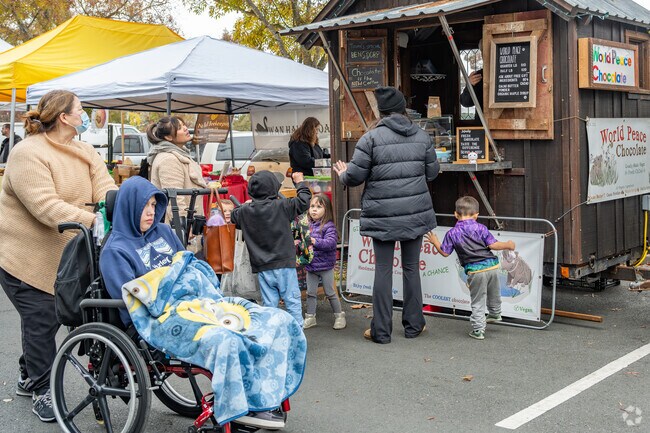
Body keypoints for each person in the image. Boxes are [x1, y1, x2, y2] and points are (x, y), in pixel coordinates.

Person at [100, 176, 305, 429]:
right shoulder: (115, 251)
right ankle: (237, 405)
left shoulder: (163, 232)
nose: (151, 212)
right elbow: (134, 304)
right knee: (227, 339)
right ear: (130, 206)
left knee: (277, 320)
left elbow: (188, 265)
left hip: (200, 301)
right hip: (164, 316)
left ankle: (263, 395)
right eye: (145, 206)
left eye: (154, 205)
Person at [0, 90, 117, 422]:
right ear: (64, 117)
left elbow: (104, 186)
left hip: (68, 252)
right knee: (41, 319)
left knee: (55, 316)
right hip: (24, 256)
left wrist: (122, 207)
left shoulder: (84, 150)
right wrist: (95, 220)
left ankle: (27, 372)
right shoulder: (27, 153)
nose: (84, 114)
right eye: (80, 110)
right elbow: (45, 206)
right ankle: (41, 389)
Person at [333, 86, 439, 344]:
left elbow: (356, 176)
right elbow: (432, 173)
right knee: (411, 268)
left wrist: (343, 173)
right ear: (403, 108)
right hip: (414, 211)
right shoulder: (422, 137)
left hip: (382, 213)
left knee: (383, 269)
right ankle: (414, 325)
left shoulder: (370, 139)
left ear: (381, 111)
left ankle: (381, 331)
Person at [425, 196, 515, 340]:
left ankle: (478, 330)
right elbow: (493, 245)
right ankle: (496, 313)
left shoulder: (452, 233)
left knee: (478, 299)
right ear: (476, 215)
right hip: (492, 267)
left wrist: (435, 242)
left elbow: (444, 252)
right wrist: (508, 245)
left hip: (475, 271)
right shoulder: (481, 228)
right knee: (494, 292)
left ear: (455, 214)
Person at [231, 170, 311, 326]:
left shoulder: (245, 212)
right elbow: (303, 202)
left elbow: (235, 216)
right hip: (285, 264)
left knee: (269, 306)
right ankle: (297, 337)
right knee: (292, 302)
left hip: (262, 266)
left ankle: (271, 335)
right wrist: (300, 182)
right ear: (274, 188)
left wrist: (247, 206)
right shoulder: (282, 205)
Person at [146, 116, 207, 224]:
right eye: (179, 128)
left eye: (184, 125)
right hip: (180, 228)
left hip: (190, 221)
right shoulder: (169, 160)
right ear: (169, 137)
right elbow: (175, 201)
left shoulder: (180, 153)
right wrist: (183, 227)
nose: (185, 128)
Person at [303, 193, 346, 330]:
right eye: (312, 206)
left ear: (326, 210)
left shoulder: (329, 226)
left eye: (319, 207)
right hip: (311, 265)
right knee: (311, 292)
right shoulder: (307, 225)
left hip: (326, 266)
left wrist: (316, 241)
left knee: (330, 292)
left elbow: (331, 243)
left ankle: (339, 315)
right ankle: (310, 317)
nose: (314, 209)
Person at [460, 40, 483, 108]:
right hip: (482, 118)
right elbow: (465, 103)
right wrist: (470, 86)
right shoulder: (478, 75)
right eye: (483, 51)